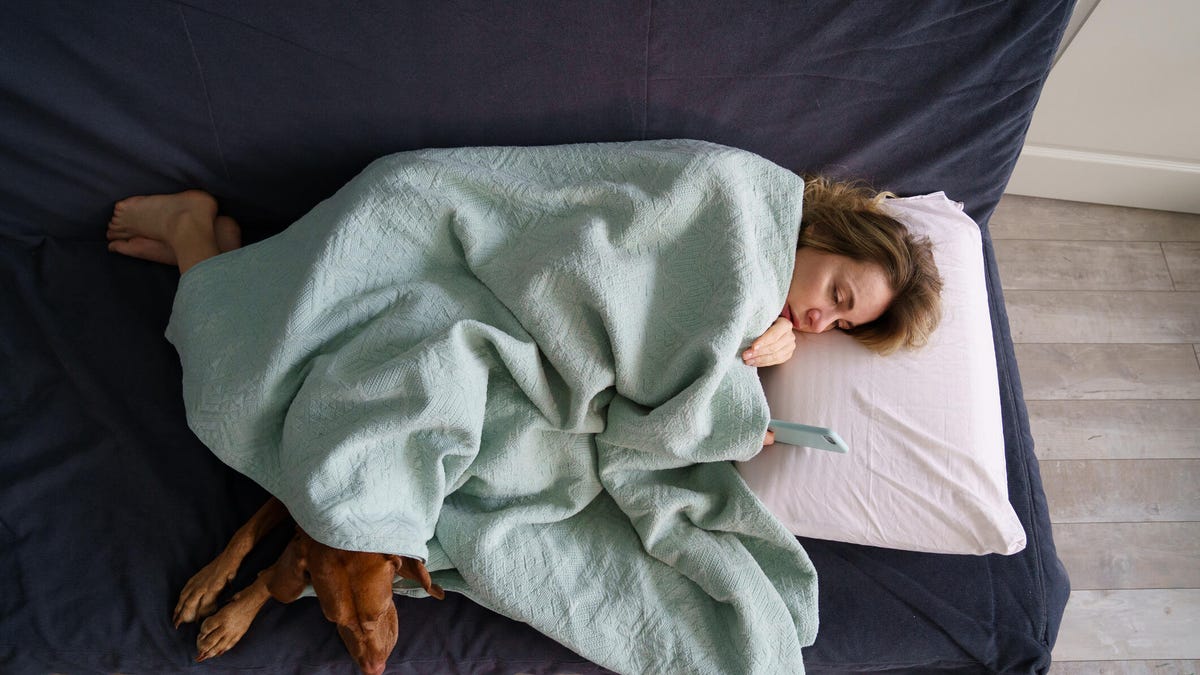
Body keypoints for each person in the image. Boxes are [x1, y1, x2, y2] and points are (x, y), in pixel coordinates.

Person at [107, 175, 942, 451]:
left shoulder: (774, 328)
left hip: (516, 339)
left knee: (302, 393)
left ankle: (209, 255)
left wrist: (741, 379)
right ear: (823, 233)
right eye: (836, 294)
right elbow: (606, 245)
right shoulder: (739, 196)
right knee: (248, 396)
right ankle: (194, 239)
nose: (822, 320)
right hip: (458, 226)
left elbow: (647, 388)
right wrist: (725, 384)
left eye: (845, 324)